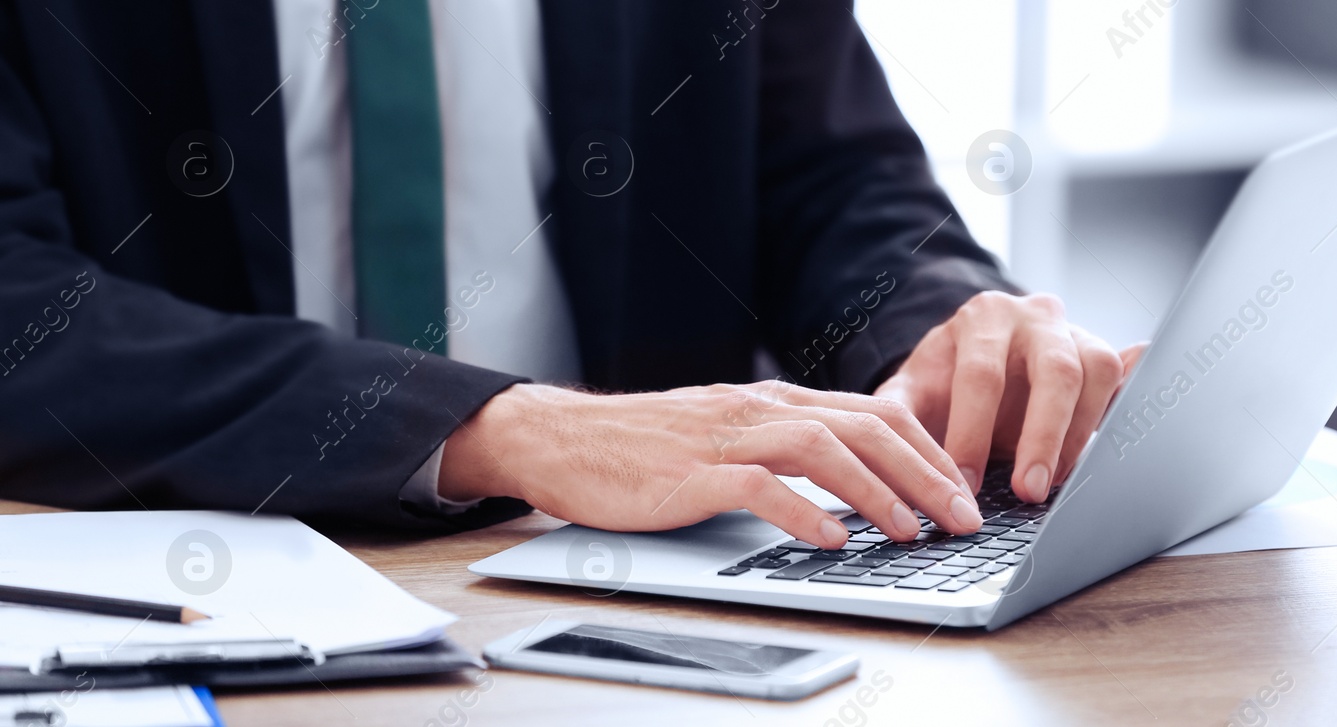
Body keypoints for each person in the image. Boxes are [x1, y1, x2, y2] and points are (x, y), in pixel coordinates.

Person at [0, 0, 1137, 548]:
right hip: (209, 585)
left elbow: (829, 183)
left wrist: (940, 329)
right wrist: (493, 429)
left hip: (641, 614)